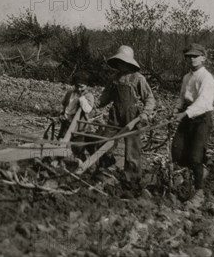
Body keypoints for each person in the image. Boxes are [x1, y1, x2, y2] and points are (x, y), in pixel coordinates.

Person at [97, 45, 156, 187]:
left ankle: (132, 178)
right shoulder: (114, 79)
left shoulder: (138, 79)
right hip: (115, 114)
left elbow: (149, 98)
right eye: (118, 62)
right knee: (106, 140)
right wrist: (94, 106)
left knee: (132, 147)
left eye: (123, 62)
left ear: (129, 63)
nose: (120, 65)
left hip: (132, 116)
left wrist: (145, 113)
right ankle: (104, 168)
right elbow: (105, 97)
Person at [171, 43, 214, 207]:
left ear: (203, 58)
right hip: (186, 116)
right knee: (176, 151)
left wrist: (184, 113)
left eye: (195, 56)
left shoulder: (206, 78)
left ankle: (199, 193)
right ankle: (195, 174)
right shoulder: (186, 77)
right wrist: (176, 110)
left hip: (201, 119)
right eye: (189, 56)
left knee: (196, 157)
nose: (191, 59)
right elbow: (182, 97)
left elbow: (203, 103)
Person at [58, 71, 95, 140]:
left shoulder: (88, 96)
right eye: (77, 86)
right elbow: (64, 105)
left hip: (78, 125)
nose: (79, 89)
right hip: (66, 122)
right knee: (61, 141)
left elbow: (87, 109)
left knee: (73, 144)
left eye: (81, 87)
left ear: (86, 85)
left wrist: (82, 98)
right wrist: (61, 113)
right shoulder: (69, 93)